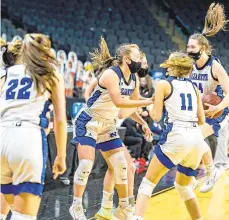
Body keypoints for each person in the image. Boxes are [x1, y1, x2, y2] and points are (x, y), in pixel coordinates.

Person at [69, 37, 153, 220]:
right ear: (126, 59)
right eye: (137, 56)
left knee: (121, 165)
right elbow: (119, 101)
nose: (140, 60)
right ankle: (76, 206)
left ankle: (123, 208)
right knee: (86, 164)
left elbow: (128, 108)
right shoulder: (111, 74)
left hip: (108, 124)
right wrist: (149, 101)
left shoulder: (134, 81)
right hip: (89, 121)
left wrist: (143, 122)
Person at [133, 51, 208, 220]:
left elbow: (157, 117)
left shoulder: (163, 84)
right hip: (196, 138)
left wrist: (151, 108)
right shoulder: (194, 87)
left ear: (172, 66)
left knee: (147, 183)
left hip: (177, 135)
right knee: (183, 187)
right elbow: (202, 120)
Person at [0, 34, 67, 220]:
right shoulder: (50, 73)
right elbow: (60, 120)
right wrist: (61, 156)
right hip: (27, 139)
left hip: (2, 136)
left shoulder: (5, 73)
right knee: (23, 216)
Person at [187, 3, 229, 192]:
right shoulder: (190, 65)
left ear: (203, 48)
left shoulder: (215, 66)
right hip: (200, 109)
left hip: (219, 108)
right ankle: (193, 176)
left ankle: (214, 170)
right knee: (188, 139)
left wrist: (217, 107)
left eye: (192, 46)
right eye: (187, 46)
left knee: (196, 137)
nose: (188, 49)